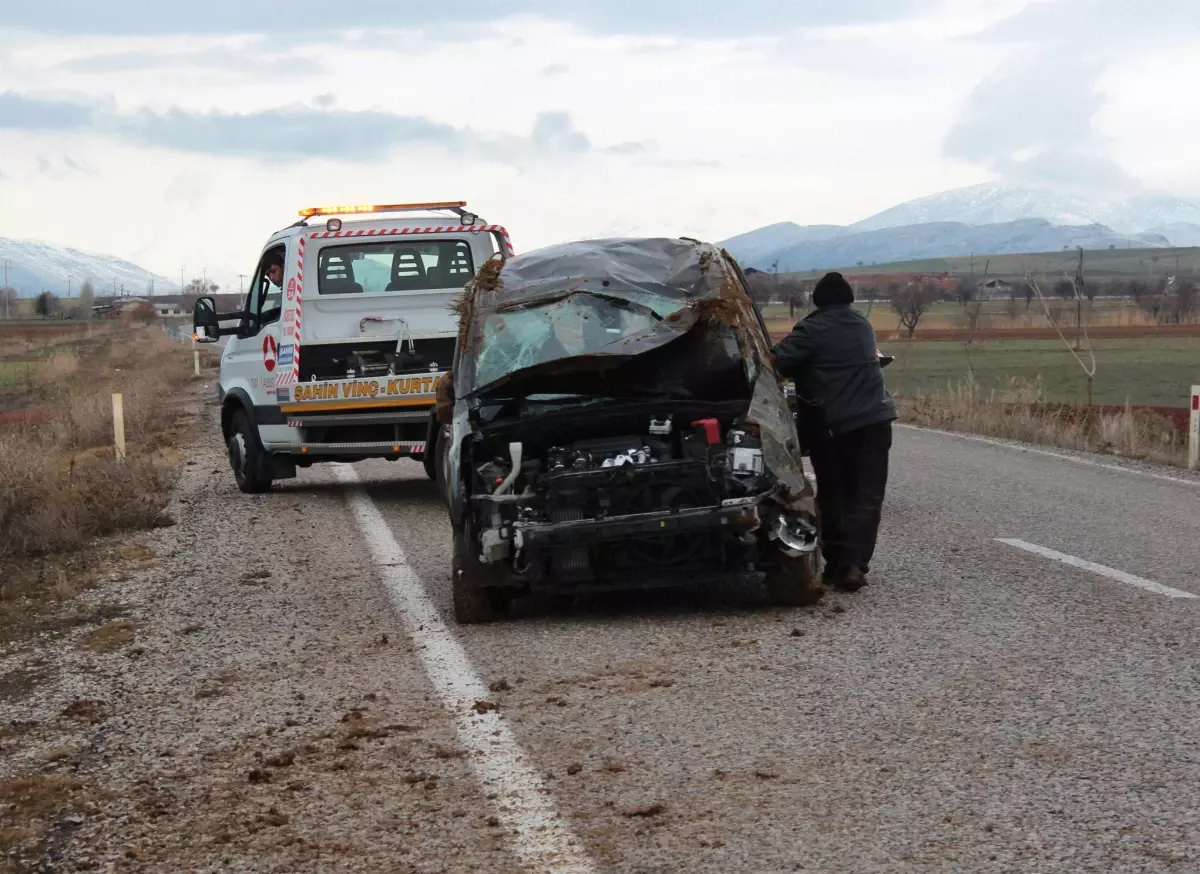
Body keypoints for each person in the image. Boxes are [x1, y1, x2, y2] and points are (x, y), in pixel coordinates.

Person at [772, 271, 897, 592]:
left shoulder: (811, 330)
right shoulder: (862, 325)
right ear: (849, 299)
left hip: (833, 427)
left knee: (834, 495)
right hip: (875, 421)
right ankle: (856, 565)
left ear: (817, 301)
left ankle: (837, 564)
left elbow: (775, 362)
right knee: (867, 496)